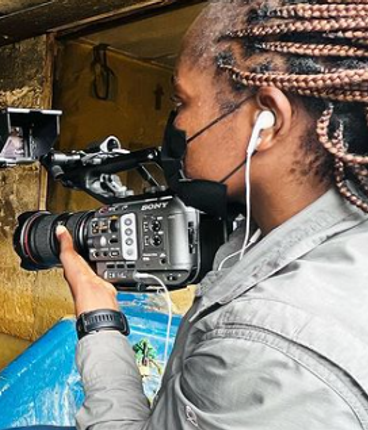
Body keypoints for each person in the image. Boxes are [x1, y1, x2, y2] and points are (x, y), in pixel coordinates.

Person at [25, 0, 368, 428]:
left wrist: (99, 319)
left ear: (268, 120)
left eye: (181, 101)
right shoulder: (334, 239)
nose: (176, 125)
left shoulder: (261, 352)